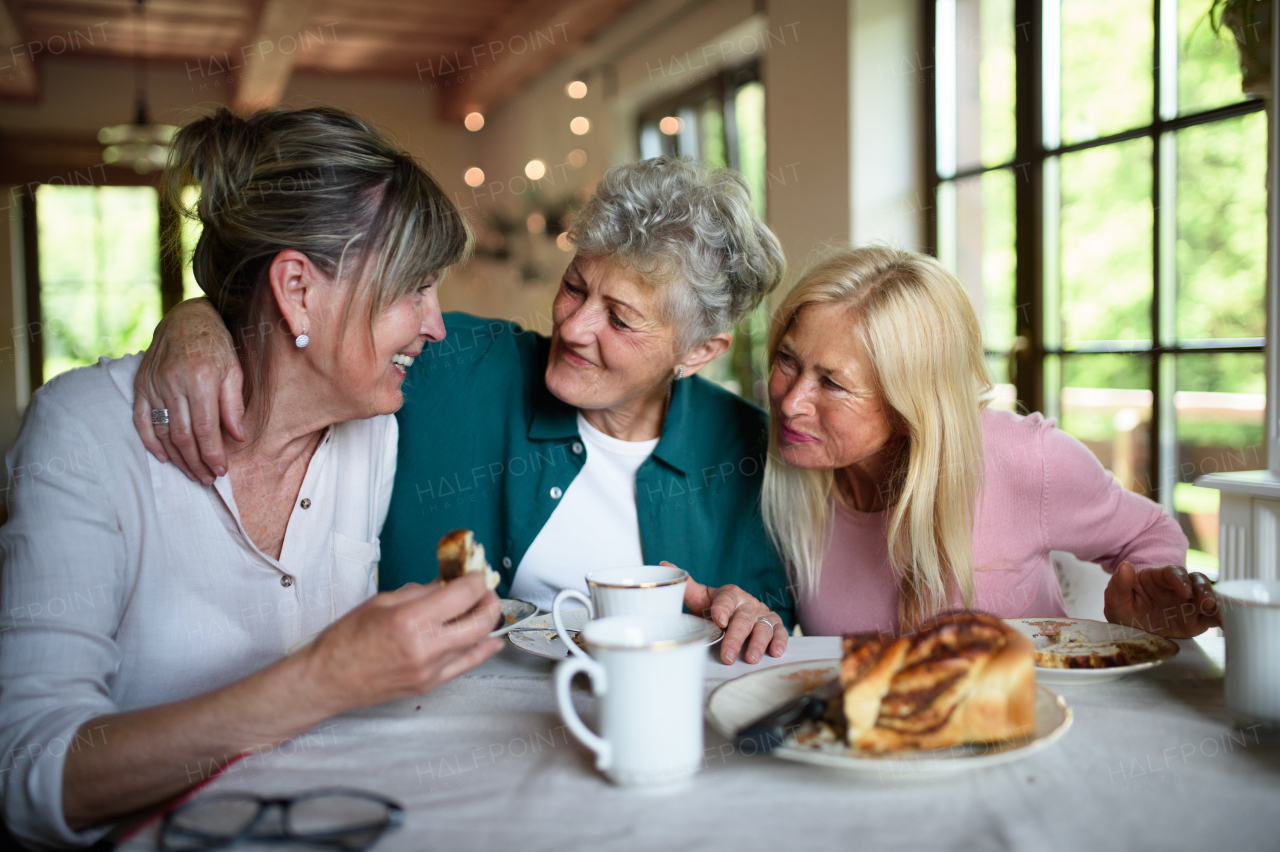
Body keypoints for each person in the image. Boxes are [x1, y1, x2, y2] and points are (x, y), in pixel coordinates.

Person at [0, 107, 504, 847]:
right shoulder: (84, 433)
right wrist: (322, 680)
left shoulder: (373, 435)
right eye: (413, 289)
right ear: (297, 288)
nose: (436, 324)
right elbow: (26, 775)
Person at [134, 157, 793, 665]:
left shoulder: (750, 455)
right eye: (574, 287)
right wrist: (198, 322)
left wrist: (754, 618)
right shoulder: (460, 362)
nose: (574, 327)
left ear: (700, 351)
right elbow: (303, 323)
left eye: (619, 319)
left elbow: (770, 637)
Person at [761, 246, 1219, 637]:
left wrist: (1141, 610)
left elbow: (1150, 531)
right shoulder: (783, 471)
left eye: (833, 383)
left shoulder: (1021, 457)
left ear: (910, 404)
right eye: (787, 359)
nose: (790, 402)